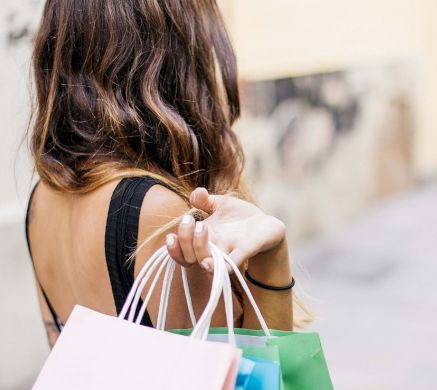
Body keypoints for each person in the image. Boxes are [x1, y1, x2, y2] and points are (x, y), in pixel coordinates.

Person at [25, 0, 299, 347]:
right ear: (181, 57)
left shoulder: (41, 200)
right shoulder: (158, 212)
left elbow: (62, 352)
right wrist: (273, 258)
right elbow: (253, 383)